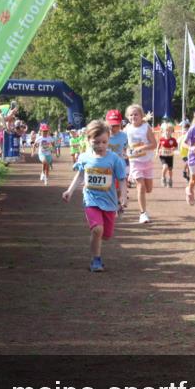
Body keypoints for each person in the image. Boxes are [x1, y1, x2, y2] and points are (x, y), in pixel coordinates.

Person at [62, 120, 127, 272]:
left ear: (108, 140)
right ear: (88, 140)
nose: (100, 146)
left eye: (104, 142)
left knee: (106, 235)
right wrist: (69, 191)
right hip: (91, 199)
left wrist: (123, 196)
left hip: (109, 201)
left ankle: (97, 243)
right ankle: (96, 260)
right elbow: (80, 175)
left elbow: (122, 179)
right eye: (96, 142)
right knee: (97, 229)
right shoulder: (84, 157)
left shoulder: (114, 159)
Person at [124, 104, 156, 223]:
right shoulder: (127, 129)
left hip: (147, 162)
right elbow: (123, 143)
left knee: (148, 189)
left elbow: (154, 144)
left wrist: (142, 148)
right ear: (128, 117)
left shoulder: (146, 127)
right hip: (135, 162)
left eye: (136, 114)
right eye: (131, 115)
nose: (133, 116)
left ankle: (136, 181)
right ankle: (143, 213)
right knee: (141, 187)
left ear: (141, 115)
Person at [105, 109, 129, 211]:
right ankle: (110, 203)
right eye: (110, 125)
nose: (113, 128)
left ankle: (118, 202)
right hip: (106, 165)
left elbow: (126, 148)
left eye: (116, 125)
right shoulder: (103, 135)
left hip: (120, 164)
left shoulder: (124, 136)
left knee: (119, 187)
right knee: (108, 186)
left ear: (120, 124)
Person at [157, 122, 178, 187]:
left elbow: (176, 146)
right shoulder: (161, 139)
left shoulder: (173, 140)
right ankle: (163, 178)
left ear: (172, 131)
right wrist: (157, 151)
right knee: (165, 166)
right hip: (162, 155)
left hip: (170, 156)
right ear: (163, 131)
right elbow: (158, 145)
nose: (167, 132)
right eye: (166, 130)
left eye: (169, 131)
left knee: (170, 170)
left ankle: (170, 179)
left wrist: (173, 148)